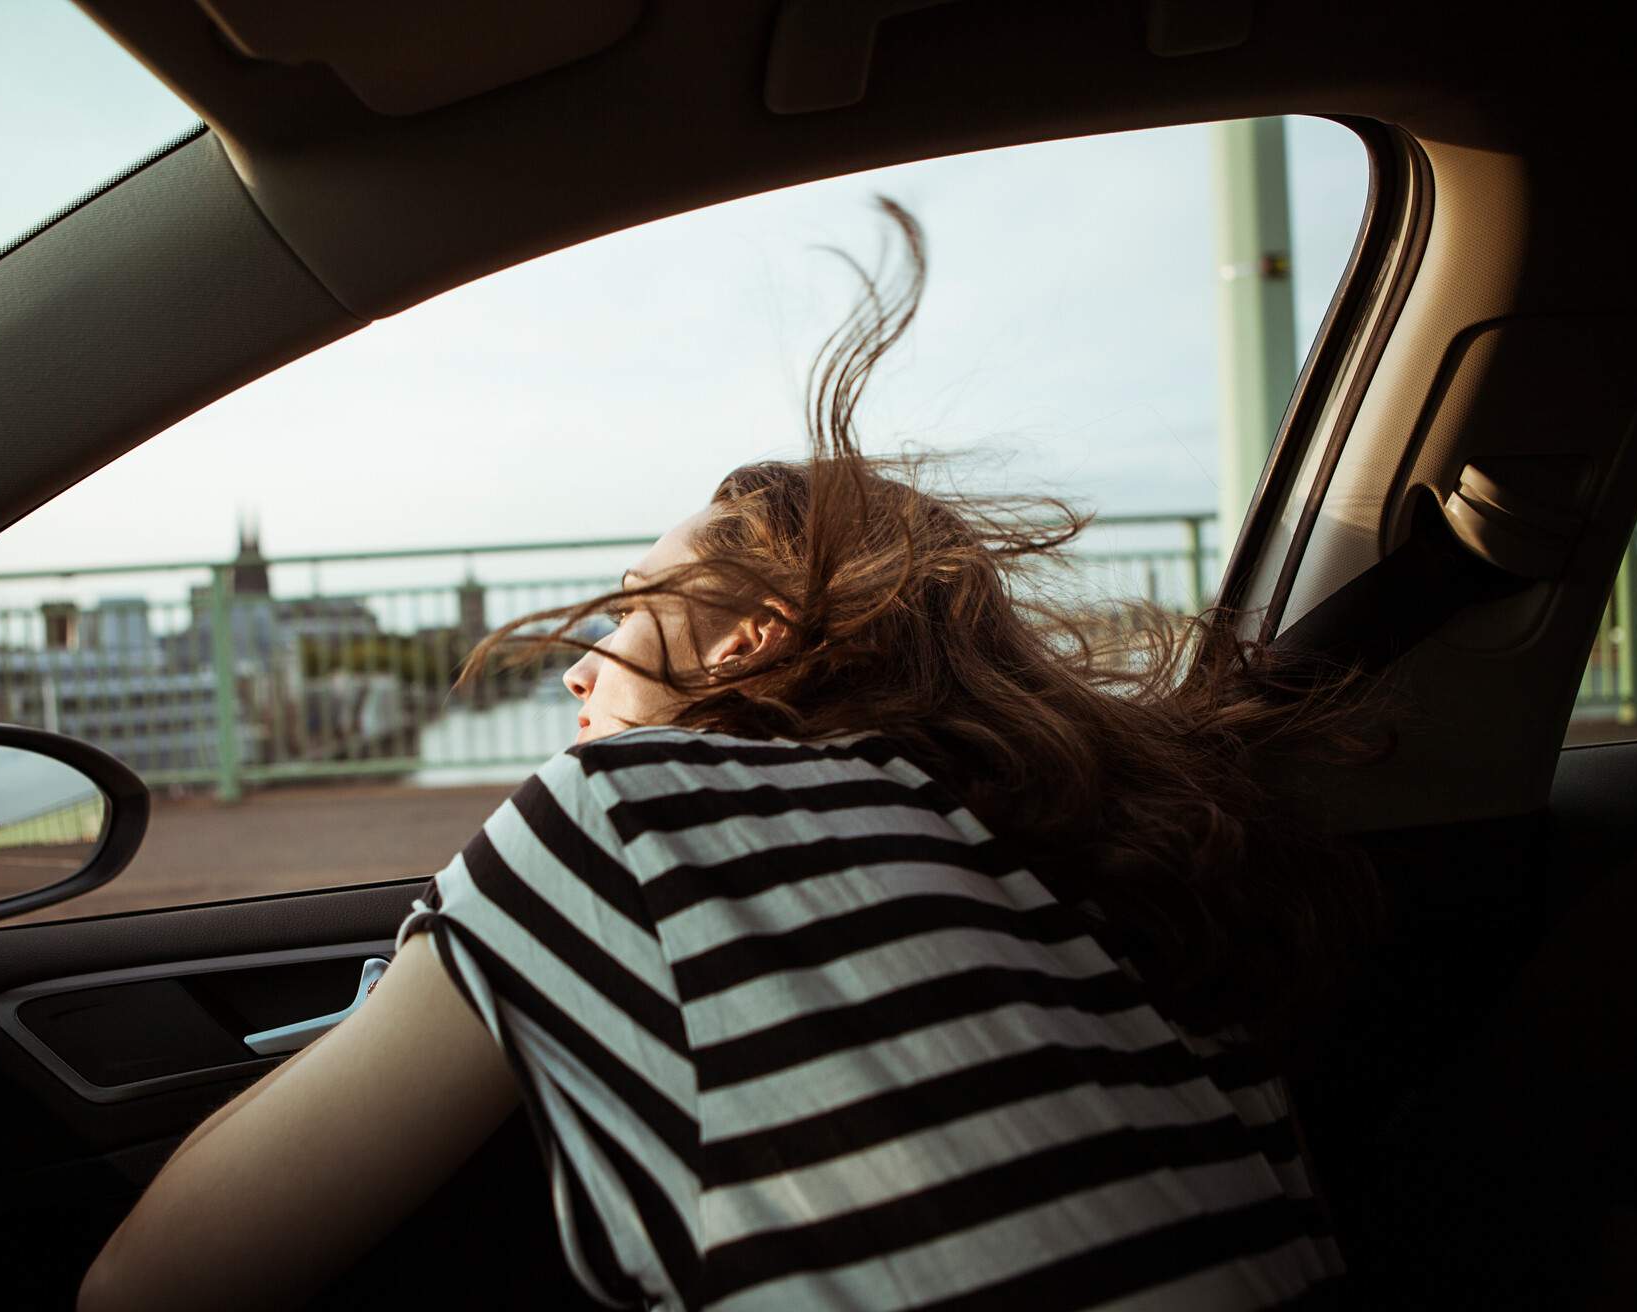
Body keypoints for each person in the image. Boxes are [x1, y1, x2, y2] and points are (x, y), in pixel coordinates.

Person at [78, 200, 1382, 1312]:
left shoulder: (638, 815)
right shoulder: (1107, 869)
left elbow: (150, 1287)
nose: (582, 661)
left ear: (748, 643)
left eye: (630, 607)